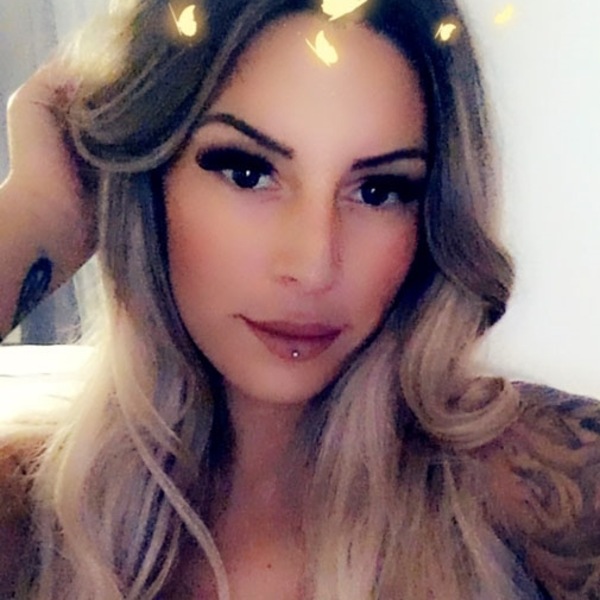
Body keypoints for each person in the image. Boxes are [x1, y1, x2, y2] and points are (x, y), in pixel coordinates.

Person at [0, 0, 599, 598]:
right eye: (248, 173)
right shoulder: (34, 511)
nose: (314, 267)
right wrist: (39, 211)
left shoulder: (547, 480)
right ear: (150, 183)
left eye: (378, 190)